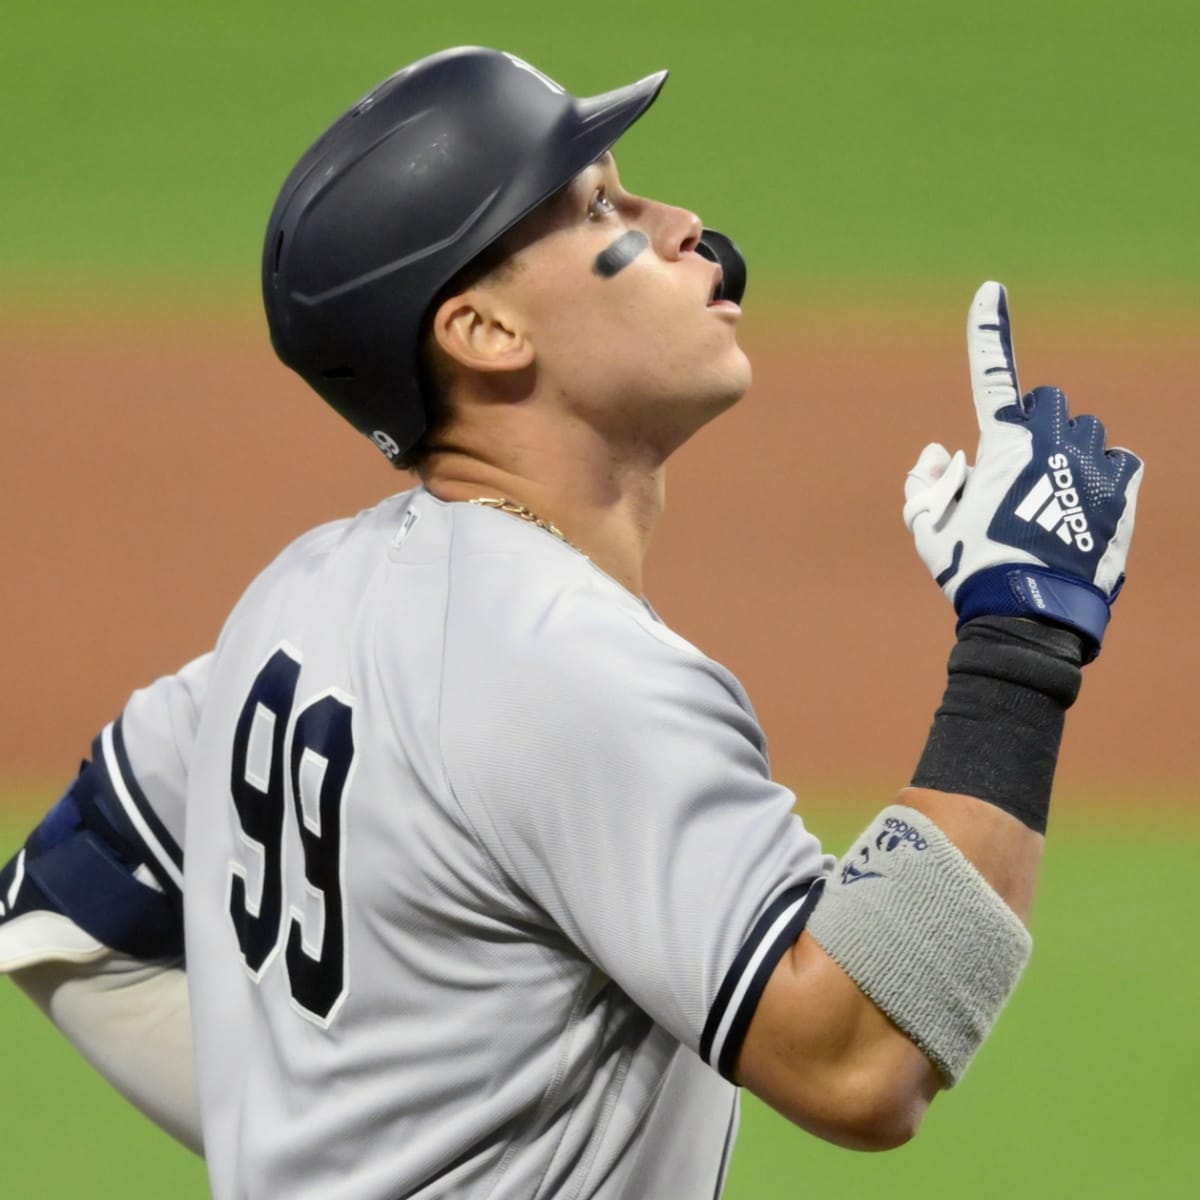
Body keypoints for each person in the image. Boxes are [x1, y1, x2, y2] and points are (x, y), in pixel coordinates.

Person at [0, 46, 1143, 1199]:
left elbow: (65, 893)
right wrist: (1021, 633)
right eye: (603, 204)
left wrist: (325, 1149)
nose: (686, 223)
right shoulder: (561, 665)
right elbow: (858, 1055)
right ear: (485, 332)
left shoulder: (299, 598)